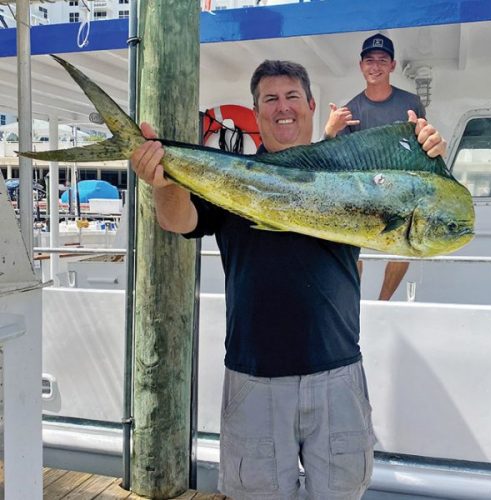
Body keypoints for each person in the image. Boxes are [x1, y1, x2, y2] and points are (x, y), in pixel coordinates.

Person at [131, 59, 444, 499]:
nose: (283, 108)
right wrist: (163, 181)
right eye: (270, 100)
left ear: (312, 105)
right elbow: (178, 220)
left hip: (337, 373)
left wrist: (426, 154)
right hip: (254, 379)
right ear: (257, 113)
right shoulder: (233, 178)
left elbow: (416, 204)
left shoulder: (350, 176)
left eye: (292, 96)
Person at [323, 33, 447, 301]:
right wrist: (330, 132)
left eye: (382, 60)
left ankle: (384, 301)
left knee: (404, 244)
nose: (375, 66)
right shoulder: (349, 109)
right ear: (361, 65)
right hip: (363, 193)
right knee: (349, 245)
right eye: (370, 60)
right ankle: (352, 300)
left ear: (392, 65)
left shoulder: (410, 103)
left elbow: (422, 146)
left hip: (400, 190)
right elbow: (333, 159)